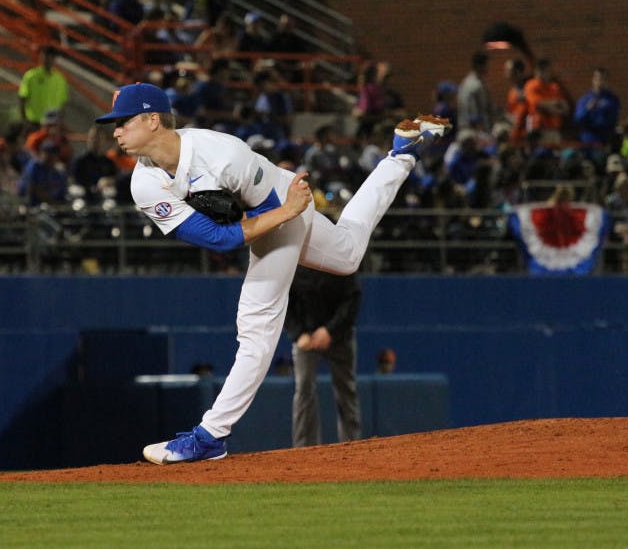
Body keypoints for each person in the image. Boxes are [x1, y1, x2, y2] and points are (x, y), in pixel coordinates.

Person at [94, 82, 449, 464]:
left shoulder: (221, 154)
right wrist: (282, 212)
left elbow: (260, 221)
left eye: (123, 121)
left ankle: (211, 435)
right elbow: (216, 238)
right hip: (283, 209)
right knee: (346, 255)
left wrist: (290, 211)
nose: (115, 131)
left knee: (256, 328)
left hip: (281, 202)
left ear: (152, 120)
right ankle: (401, 155)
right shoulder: (144, 183)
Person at [285, 266, 362, 446]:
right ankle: (304, 450)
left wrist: (330, 331)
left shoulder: (341, 259)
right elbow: (284, 303)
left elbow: (352, 298)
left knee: (346, 389)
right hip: (306, 336)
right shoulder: (295, 263)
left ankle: (352, 447)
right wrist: (298, 334)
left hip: (340, 335)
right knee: (303, 389)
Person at [17, 45, 68, 128]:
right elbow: (22, 97)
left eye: (50, 57)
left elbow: (63, 102)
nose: (47, 60)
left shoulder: (60, 79)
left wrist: (60, 121)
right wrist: (24, 119)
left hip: (52, 124)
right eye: (45, 56)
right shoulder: (31, 76)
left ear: (54, 59)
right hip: (33, 122)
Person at [572, 67, 620, 152]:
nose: (600, 81)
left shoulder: (612, 99)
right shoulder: (585, 99)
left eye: (603, 79)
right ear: (593, 80)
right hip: (589, 138)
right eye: (597, 78)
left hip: (606, 138)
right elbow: (577, 119)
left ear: (607, 81)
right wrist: (587, 109)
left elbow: (613, 117)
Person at [456, 50, 494, 136]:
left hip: (468, 130)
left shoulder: (467, 82)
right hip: (475, 132)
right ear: (479, 66)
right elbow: (472, 111)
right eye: (486, 65)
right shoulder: (475, 85)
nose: (488, 68)